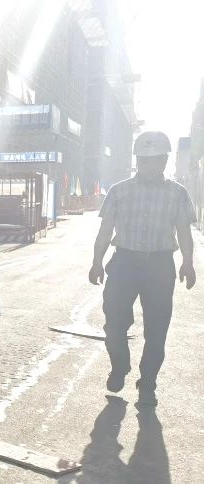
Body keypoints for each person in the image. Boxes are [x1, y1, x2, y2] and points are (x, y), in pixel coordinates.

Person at [89, 130, 196, 407]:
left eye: (156, 160)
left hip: (160, 267)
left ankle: (148, 383)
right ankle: (119, 365)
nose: (150, 165)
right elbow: (105, 230)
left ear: (165, 161)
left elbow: (184, 231)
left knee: (157, 330)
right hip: (123, 264)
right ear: (137, 160)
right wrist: (97, 261)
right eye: (145, 160)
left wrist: (187, 262)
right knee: (114, 323)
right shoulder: (119, 191)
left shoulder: (177, 193)